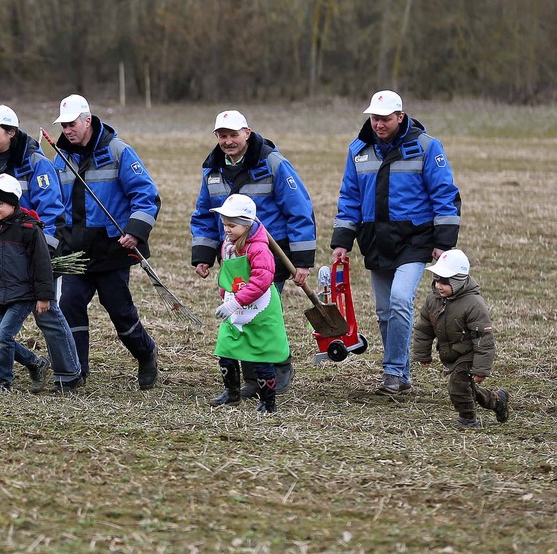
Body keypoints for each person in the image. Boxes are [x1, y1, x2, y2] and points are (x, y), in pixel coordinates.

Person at [331, 90, 462, 396]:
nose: (379, 124)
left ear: (400, 117)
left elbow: (445, 195)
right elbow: (349, 197)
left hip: (415, 240)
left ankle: (391, 372)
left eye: (385, 118)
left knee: (401, 300)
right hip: (376, 241)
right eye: (374, 118)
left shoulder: (428, 147)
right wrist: (342, 239)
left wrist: (443, 242)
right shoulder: (358, 150)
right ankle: (401, 375)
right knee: (384, 311)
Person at [191, 109, 316, 398]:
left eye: (233, 135)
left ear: (247, 133)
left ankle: (279, 367)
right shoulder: (211, 170)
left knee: (263, 313)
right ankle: (251, 379)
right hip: (233, 256)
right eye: (222, 136)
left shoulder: (273, 164)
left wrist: (303, 261)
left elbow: (299, 211)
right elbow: (202, 214)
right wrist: (203, 255)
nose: (228, 141)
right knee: (241, 313)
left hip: (270, 253)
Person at [51, 94, 161, 390]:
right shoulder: (59, 157)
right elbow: (54, 202)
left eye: (72, 124)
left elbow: (146, 196)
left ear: (87, 120)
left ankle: (146, 353)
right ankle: (75, 371)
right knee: (69, 304)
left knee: (119, 310)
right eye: (63, 125)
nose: (67, 130)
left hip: (113, 248)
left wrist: (135, 230)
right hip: (75, 249)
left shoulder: (118, 152)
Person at [0, 105, 70, 389]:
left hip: (30, 255)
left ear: (11, 132)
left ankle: (67, 374)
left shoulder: (36, 163)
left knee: (45, 314)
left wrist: (43, 256)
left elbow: (51, 212)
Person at [0, 174, 80, 392]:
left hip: (23, 295)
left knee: (3, 338)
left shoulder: (29, 229)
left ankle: (3, 382)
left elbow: (42, 265)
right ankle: (35, 362)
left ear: (13, 203)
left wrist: (44, 296)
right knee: (0, 339)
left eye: (0, 203)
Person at [207, 195, 290, 413]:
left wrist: (234, 303)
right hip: (236, 307)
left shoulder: (259, 249)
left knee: (261, 358)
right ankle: (232, 394)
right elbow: (228, 275)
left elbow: (261, 281)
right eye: (225, 224)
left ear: (247, 224)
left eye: (232, 225)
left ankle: (267, 402)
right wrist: (225, 296)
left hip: (259, 309)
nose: (226, 229)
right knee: (226, 351)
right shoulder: (229, 245)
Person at [412, 249, 510, 429]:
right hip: (451, 353)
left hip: (469, 353)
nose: (438, 285)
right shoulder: (433, 300)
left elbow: (483, 338)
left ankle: (468, 419)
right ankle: (495, 400)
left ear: (458, 281)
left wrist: (480, 368)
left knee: (457, 386)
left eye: (444, 281)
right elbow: (423, 329)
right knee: (465, 386)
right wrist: (423, 354)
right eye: (436, 279)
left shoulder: (473, 304)